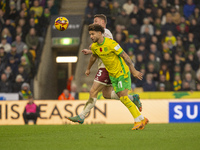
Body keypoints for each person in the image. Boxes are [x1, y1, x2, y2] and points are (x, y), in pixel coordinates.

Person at [68, 24, 149, 130]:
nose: (91, 36)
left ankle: (137, 121)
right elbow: (94, 56)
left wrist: (133, 70)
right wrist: (88, 68)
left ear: (100, 33)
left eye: (93, 34)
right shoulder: (95, 46)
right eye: (90, 34)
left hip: (122, 73)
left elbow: (125, 55)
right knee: (117, 96)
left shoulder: (111, 44)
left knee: (124, 98)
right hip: (113, 75)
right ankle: (142, 118)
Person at [81, 14, 142, 111]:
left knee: (93, 90)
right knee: (107, 94)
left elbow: (106, 48)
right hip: (106, 66)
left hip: (106, 66)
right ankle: (132, 98)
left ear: (102, 22)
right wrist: (90, 51)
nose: (94, 23)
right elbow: (102, 49)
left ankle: (82, 115)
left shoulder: (106, 32)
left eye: (96, 21)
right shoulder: (100, 36)